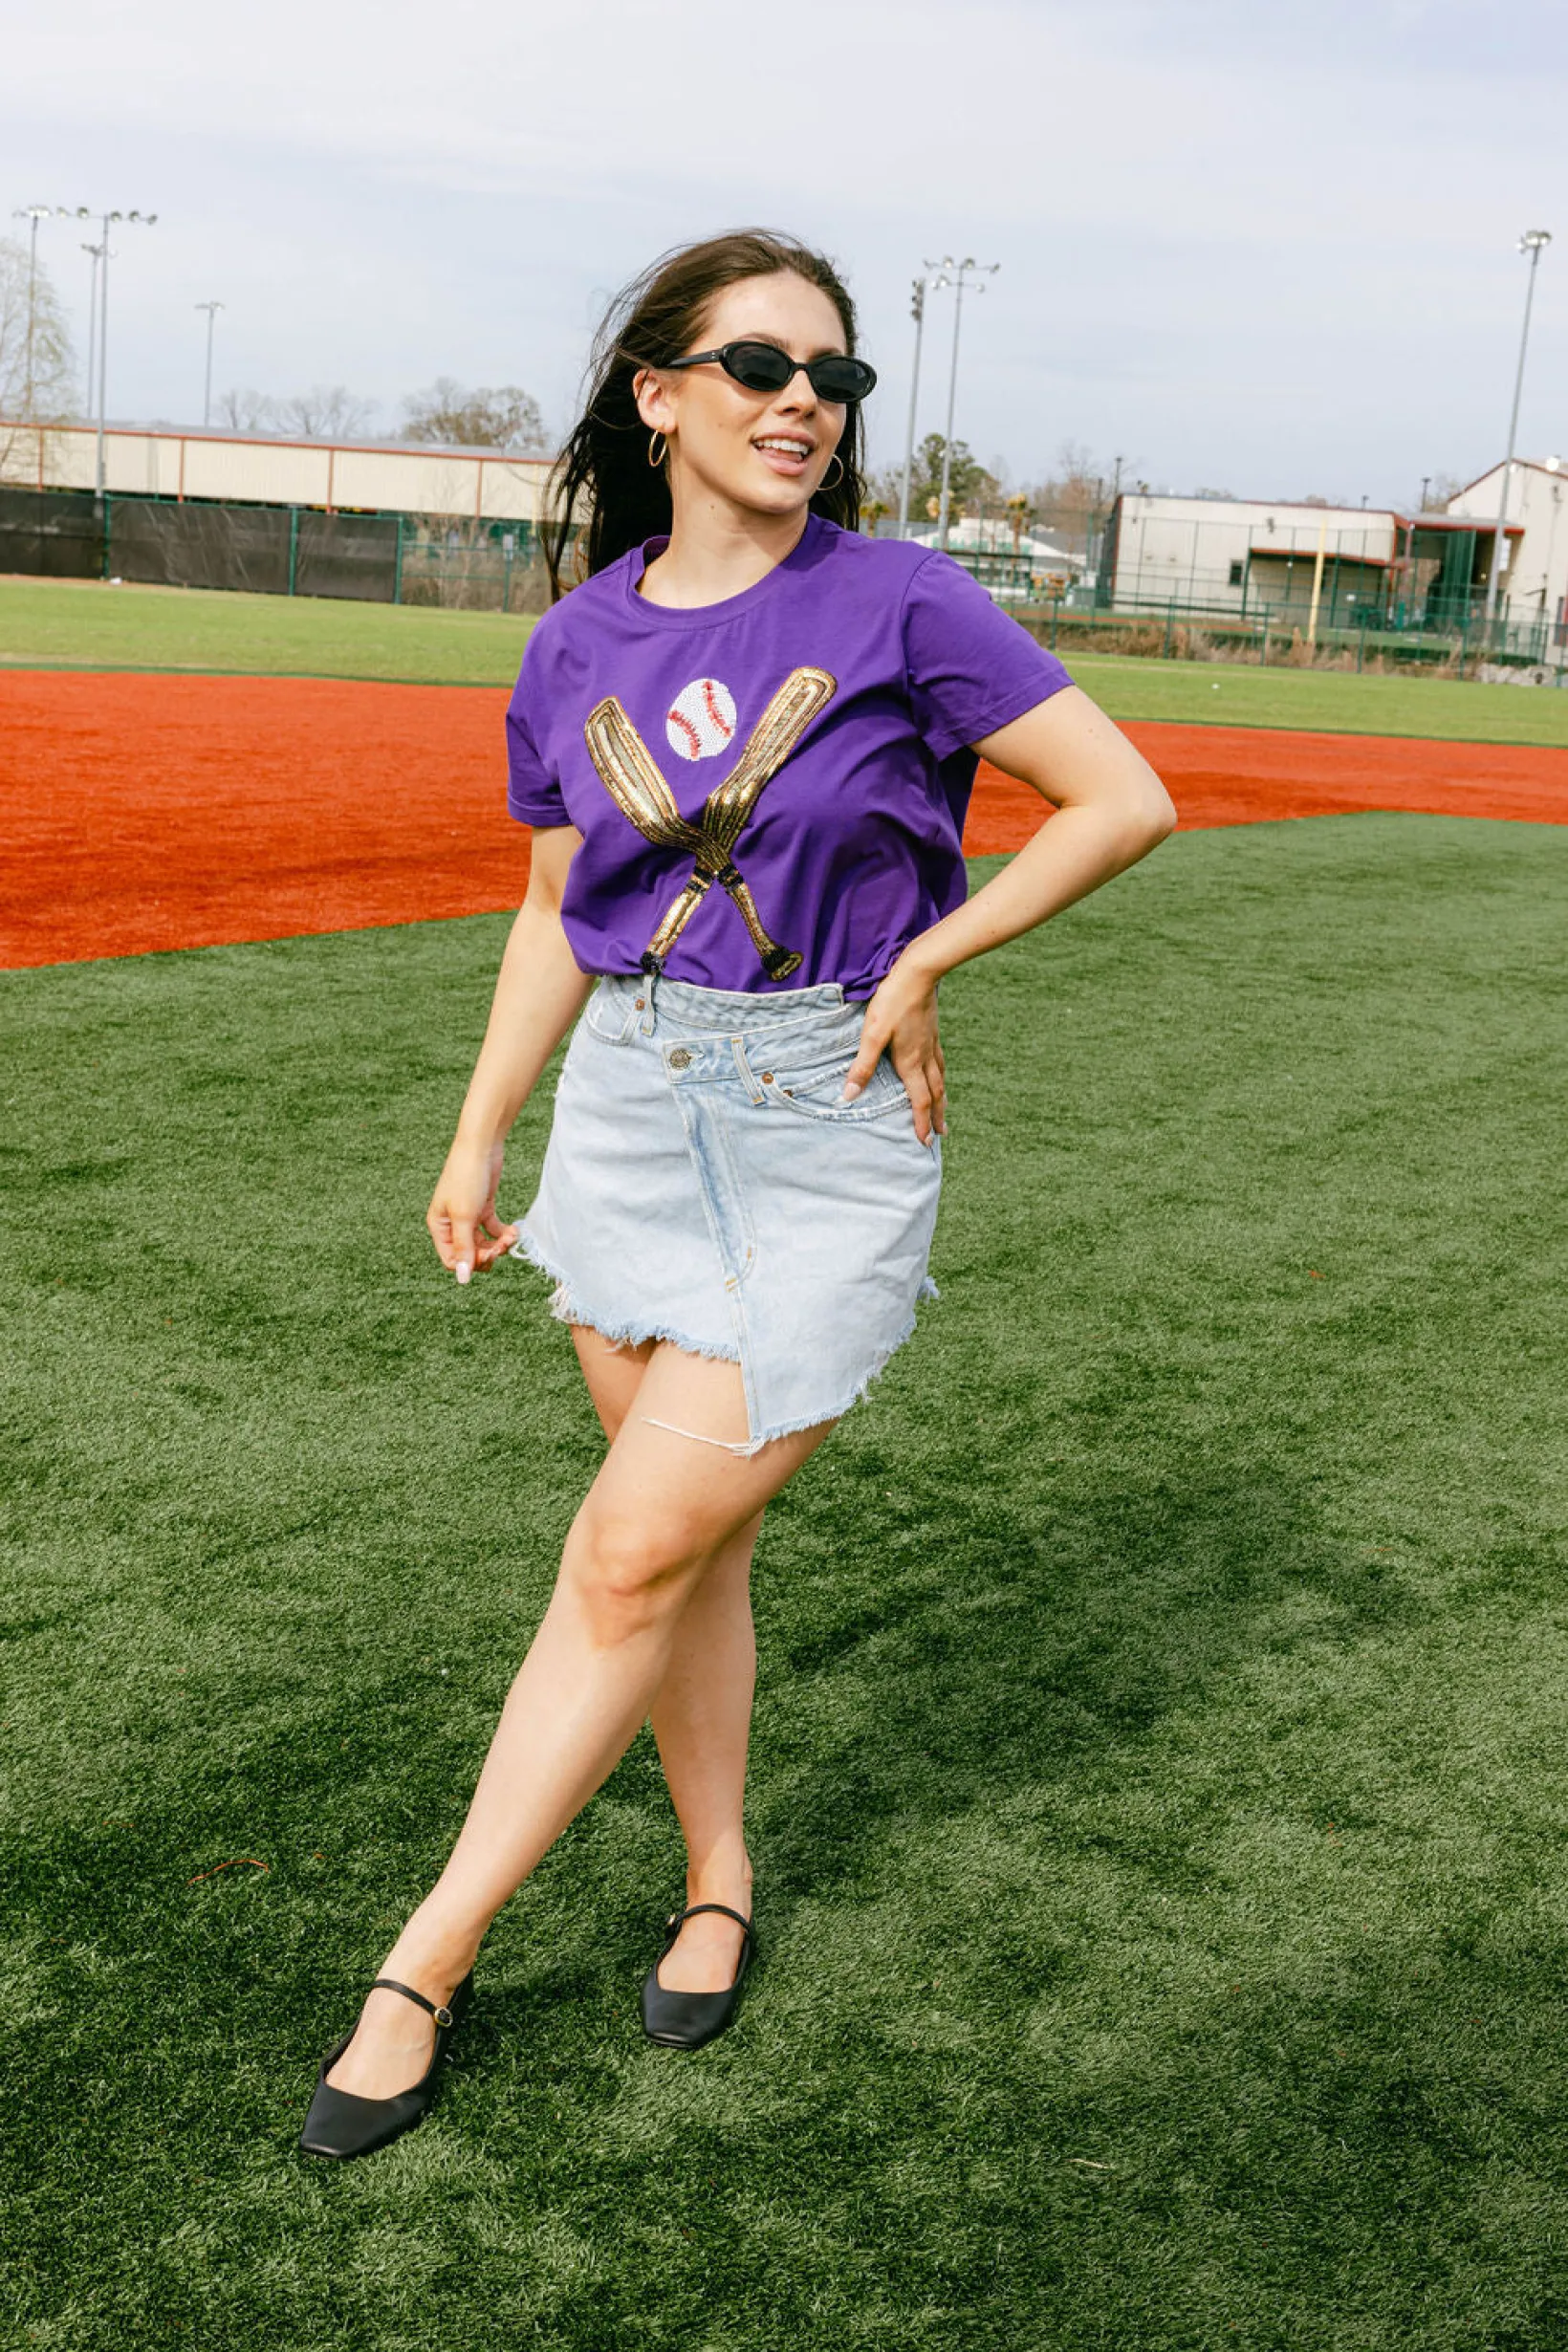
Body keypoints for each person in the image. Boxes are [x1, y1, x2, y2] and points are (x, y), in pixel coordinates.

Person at [298, 229, 1175, 2161]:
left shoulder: (902, 599)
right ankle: (720, 1880)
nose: (804, 404)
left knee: (625, 1556)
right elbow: (556, 909)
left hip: (820, 1123)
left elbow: (1123, 800)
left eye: (833, 377)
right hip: (627, 1114)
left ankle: (421, 1965)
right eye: (761, 365)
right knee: (691, 1559)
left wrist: (930, 955)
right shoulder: (575, 642)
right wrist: (479, 1132)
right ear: (659, 394)